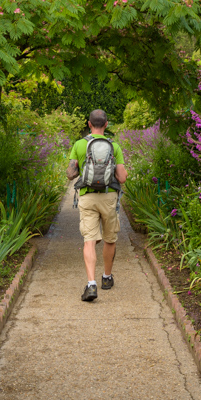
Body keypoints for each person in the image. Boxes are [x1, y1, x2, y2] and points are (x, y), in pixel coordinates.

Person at [66, 109, 128, 302]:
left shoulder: (79, 144)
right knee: (110, 238)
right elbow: (122, 178)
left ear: (89, 124)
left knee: (89, 240)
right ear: (106, 124)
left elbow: (70, 174)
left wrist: (79, 169)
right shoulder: (114, 146)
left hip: (87, 196)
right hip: (109, 197)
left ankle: (91, 284)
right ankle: (107, 278)